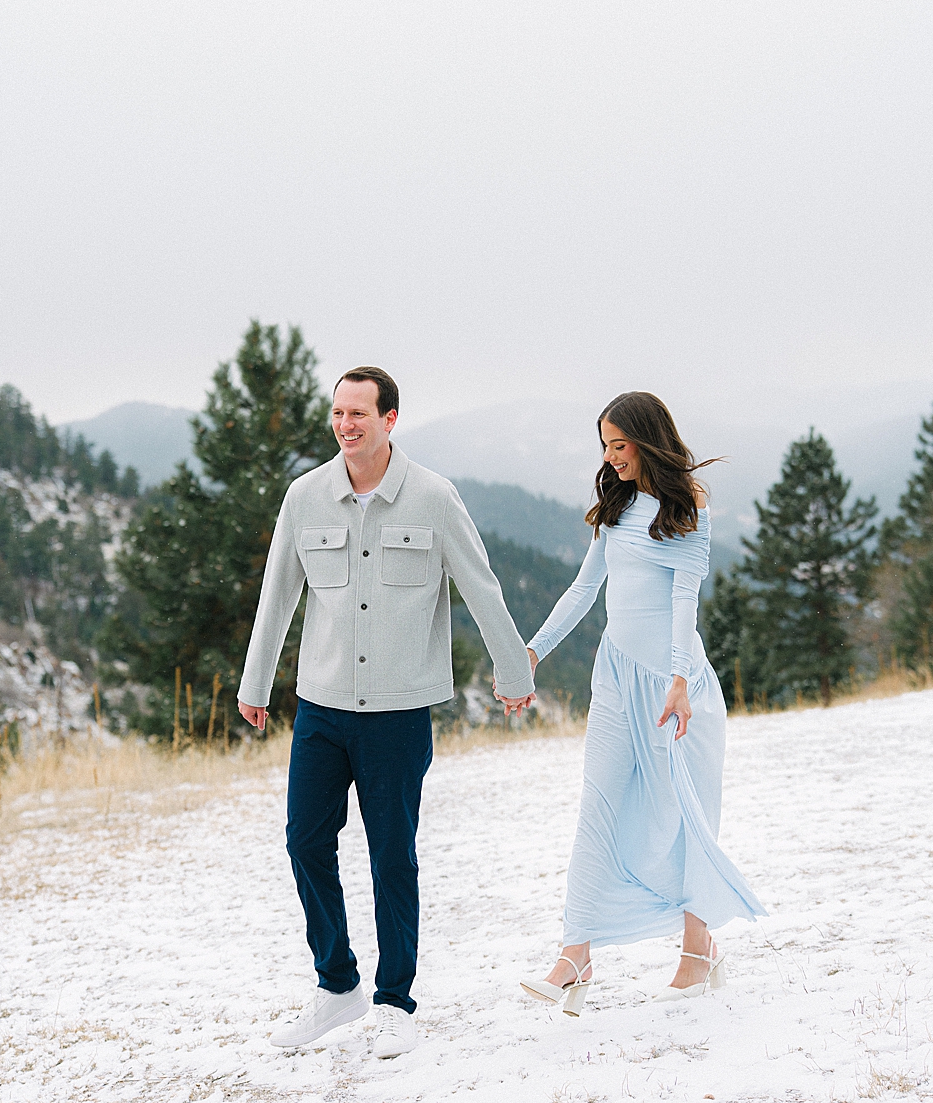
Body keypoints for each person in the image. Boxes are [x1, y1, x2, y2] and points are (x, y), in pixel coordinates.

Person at [238, 366, 536, 1058]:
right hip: (321, 708)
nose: (345, 425)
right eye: (338, 413)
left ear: (390, 419)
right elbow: (277, 594)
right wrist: (256, 684)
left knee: (391, 856)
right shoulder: (304, 497)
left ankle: (395, 1000)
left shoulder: (433, 498)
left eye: (359, 414)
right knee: (305, 842)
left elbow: (481, 586)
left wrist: (513, 671)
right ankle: (336, 985)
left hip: (398, 714)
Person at [519, 391, 765, 1015]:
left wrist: (680, 679)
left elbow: (685, 600)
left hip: (676, 686)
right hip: (615, 677)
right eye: (604, 446)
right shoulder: (616, 506)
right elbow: (584, 588)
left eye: (619, 445)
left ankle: (698, 950)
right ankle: (575, 954)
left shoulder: (687, 507)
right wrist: (535, 650)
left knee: (687, 812)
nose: (610, 457)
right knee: (597, 803)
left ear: (648, 440)